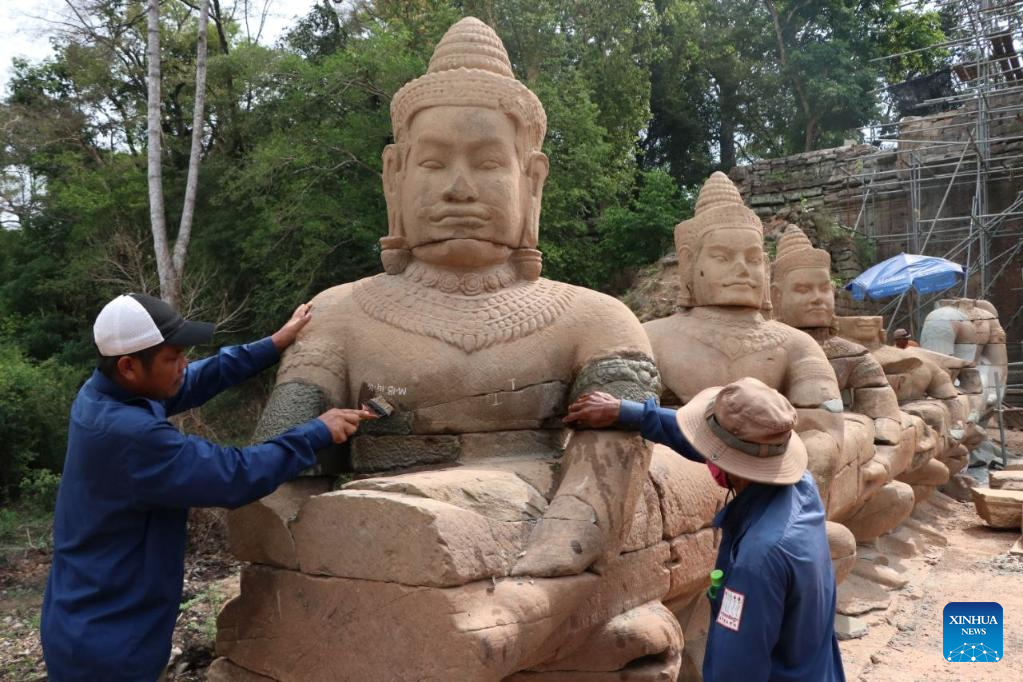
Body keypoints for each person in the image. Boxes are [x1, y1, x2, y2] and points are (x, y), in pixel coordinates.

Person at [40, 293, 376, 682]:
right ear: (130, 366)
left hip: (90, 617)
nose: (183, 365)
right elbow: (233, 475)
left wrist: (271, 344)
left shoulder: (106, 393)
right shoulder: (130, 434)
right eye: (172, 358)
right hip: (107, 641)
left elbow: (196, 378)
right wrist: (315, 431)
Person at [565, 377, 846, 682]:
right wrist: (628, 412)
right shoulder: (801, 488)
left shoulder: (758, 559)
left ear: (726, 463)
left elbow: (735, 672)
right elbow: (711, 443)